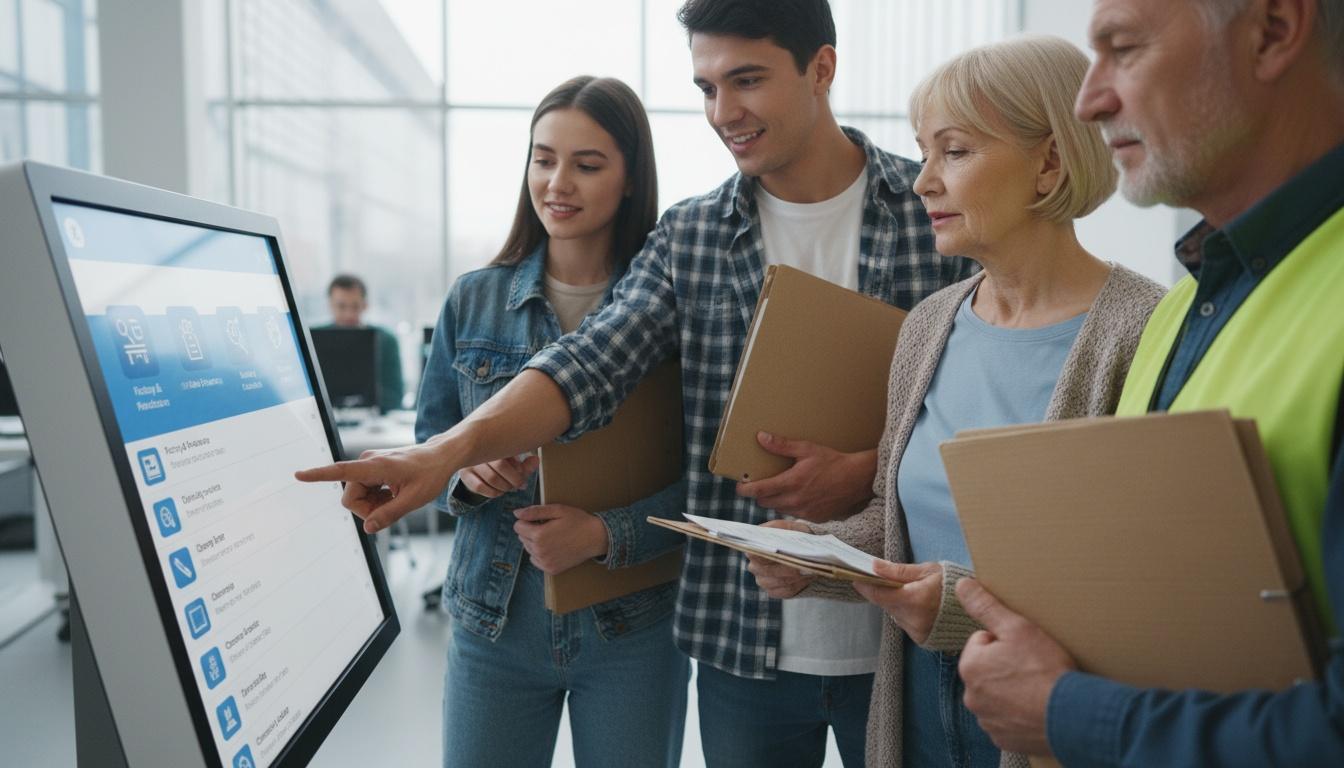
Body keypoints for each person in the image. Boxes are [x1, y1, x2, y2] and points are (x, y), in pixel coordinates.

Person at [297, 1, 975, 764]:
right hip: (741, 640)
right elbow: (589, 363)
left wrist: (868, 475)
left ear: (821, 68)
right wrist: (444, 453)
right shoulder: (690, 237)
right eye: (706, 87)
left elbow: (981, 406)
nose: (724, 112)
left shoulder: (934, 212)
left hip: (899, 635)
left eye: (746, 80)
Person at [941, 1, 1344, 765]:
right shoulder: (1189, 304)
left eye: (1123, 49)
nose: (1090, 100)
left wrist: (1067, 712)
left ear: (1273, 32)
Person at [746, 35, 1164, 768]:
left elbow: (1137, 584)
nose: (922, 182)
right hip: (913, 700)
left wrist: (953, 604)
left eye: (955, 151)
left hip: (1049, 719)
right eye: (922, 152)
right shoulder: (928, 325)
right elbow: (900, 521)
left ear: (1050, 162)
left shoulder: (1144, 332)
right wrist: (820, 558)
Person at [416, 76, 690, 768]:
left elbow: (710, 481)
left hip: (634, 630)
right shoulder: (473, 302)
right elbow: (432, 446)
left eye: (587, 164)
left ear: (631, 178)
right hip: (493, 621)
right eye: (543, 159)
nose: (557, 182)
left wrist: (606, 535)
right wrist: (468, 475)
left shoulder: (673, 311)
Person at [319, 274, 404, 412]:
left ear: (365, 305)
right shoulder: (310, 340)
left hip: (372, 423)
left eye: (355, 306)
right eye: (341, 306)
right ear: (330, 305)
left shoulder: (386, 340)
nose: (349, 314)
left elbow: (395, 396)